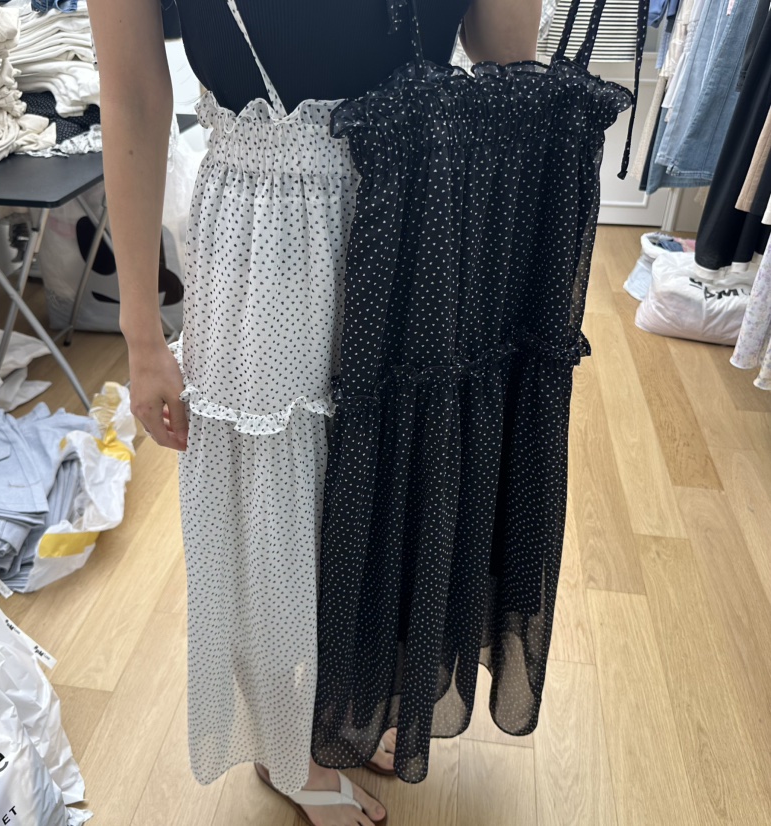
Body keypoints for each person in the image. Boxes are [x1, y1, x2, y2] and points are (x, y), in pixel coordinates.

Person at [86, 2, 543, 825]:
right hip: (270, 227)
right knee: (274, 510)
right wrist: (142, 331)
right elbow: (133, 96)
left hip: (420, 214)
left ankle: (345, 707)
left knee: (389, 488)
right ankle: (282, 741)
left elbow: (501, 52)